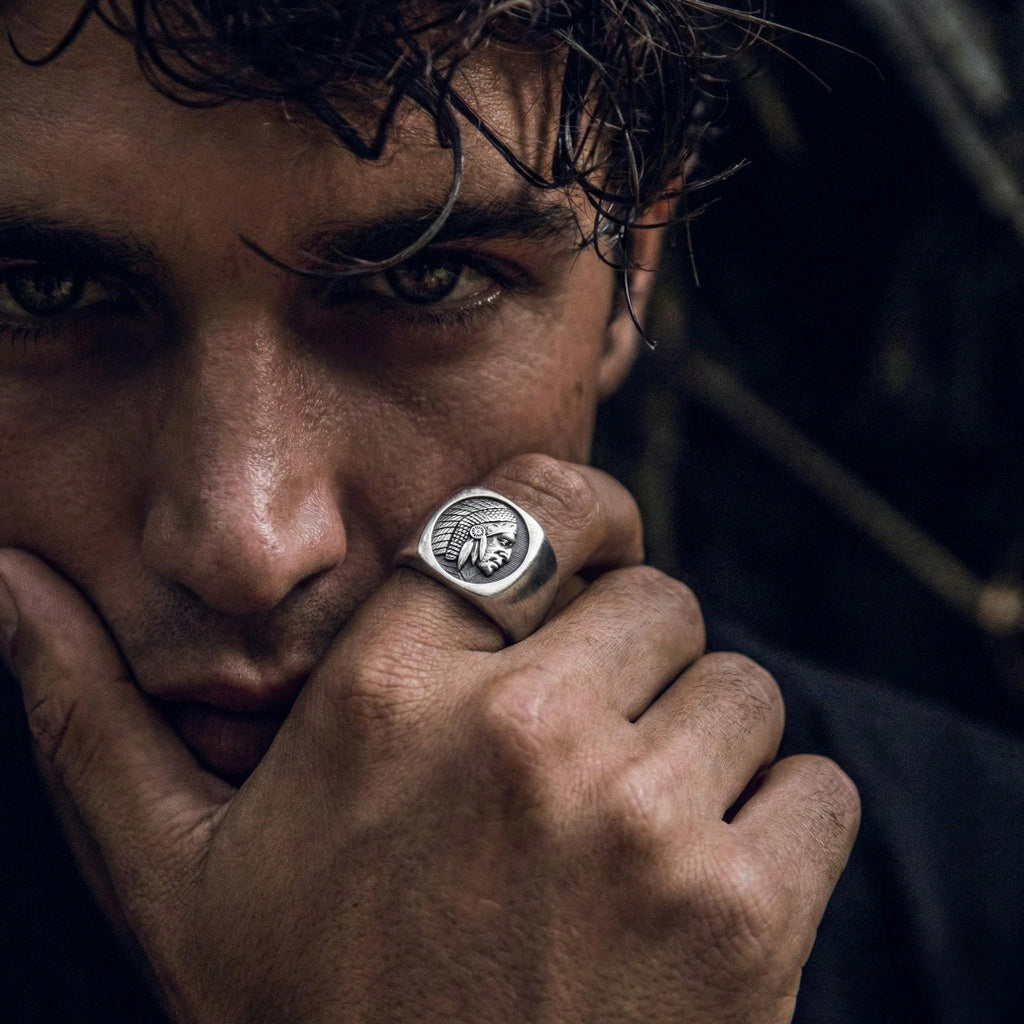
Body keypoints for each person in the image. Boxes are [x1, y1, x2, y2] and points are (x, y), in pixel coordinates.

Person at [0, 3, 1015, 1023]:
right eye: (44, 291)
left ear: (629, 277)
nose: (248, 546)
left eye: (423, 277)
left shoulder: (984, 903)